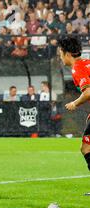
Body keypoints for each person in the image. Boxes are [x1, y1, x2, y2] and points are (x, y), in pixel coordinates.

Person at [58, 36, 90, 195]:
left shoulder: (77, 68)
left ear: (67, 54)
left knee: (86, 148)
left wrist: (75, 103)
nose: (60, 57)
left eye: (60, 53)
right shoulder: (87, 62)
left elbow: (89, 92)